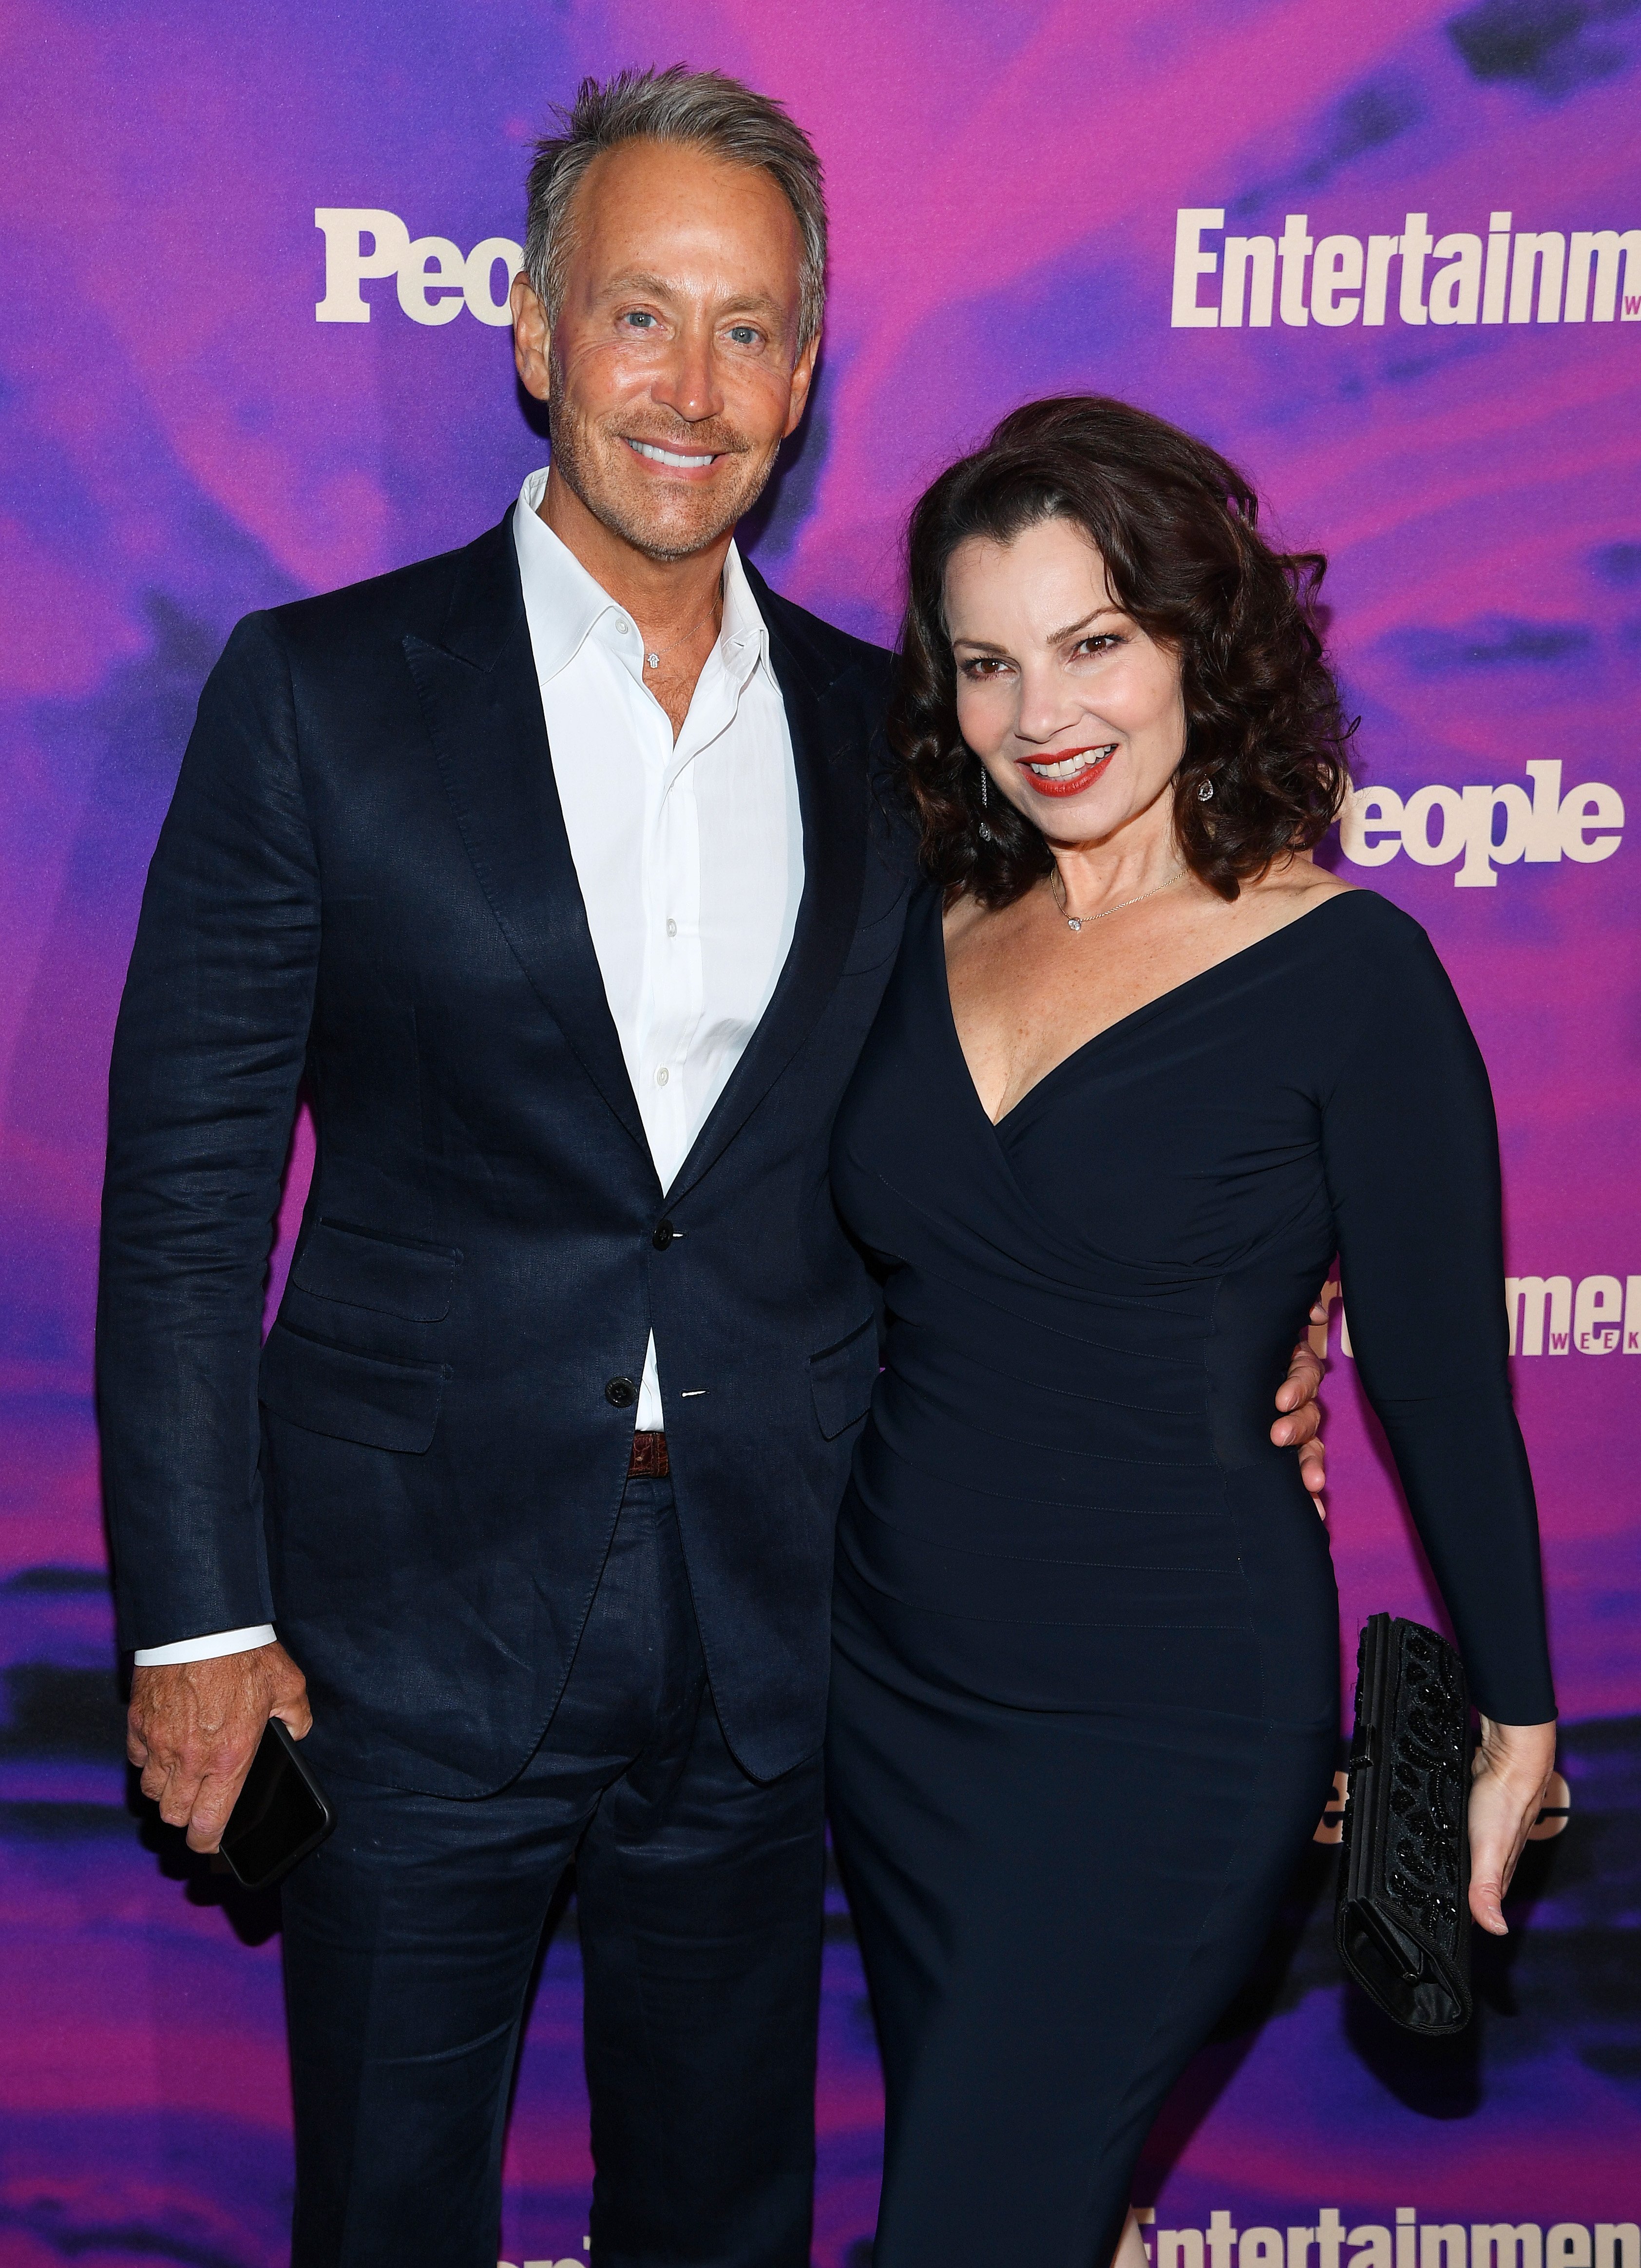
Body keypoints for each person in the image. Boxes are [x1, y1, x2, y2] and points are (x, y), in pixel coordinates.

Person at [96, 73, 1325, 2268]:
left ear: (809, 366)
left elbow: (1023, 1119)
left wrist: (1234, 1339)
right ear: (536, 336)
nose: (693, 386)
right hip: (399, 1633)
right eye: (642, 317)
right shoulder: (318, 698)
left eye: (748, 329)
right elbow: (186, 1202)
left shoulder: (901, 742)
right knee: (384, 2216)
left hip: (780, 1640)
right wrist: (200, 1621)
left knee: (727, 2221)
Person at [825, 396, 1560, 2268]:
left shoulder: (1349, 978)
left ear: (1195, 640)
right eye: (988, 662)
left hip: (1163, 1721)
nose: (1041, 713)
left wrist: (1520, 1713)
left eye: (1095, 644)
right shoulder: (922, 919)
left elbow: (1443, 1380)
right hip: (899, 1702)